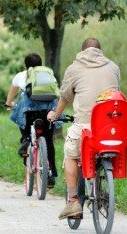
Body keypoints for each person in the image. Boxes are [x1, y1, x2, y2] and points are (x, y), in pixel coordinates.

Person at [47, 38, 120, 219]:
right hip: (111, 127)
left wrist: (55, 115)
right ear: (100, 51)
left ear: (82, 51)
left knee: (71, 155)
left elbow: (65, 97)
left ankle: (73, 202)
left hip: (85, 127)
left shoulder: (74, 69)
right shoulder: (114, 67)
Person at [7, 53, 59, 187]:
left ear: (26, 65)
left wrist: (9, 103)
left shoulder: (21, 75)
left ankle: (26, 139)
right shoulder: (48, 74)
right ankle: (51, 174)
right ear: (41, 64)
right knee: (48, 141)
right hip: (48, 110)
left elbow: (11, 96)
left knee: (19, 113)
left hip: (30, 110)